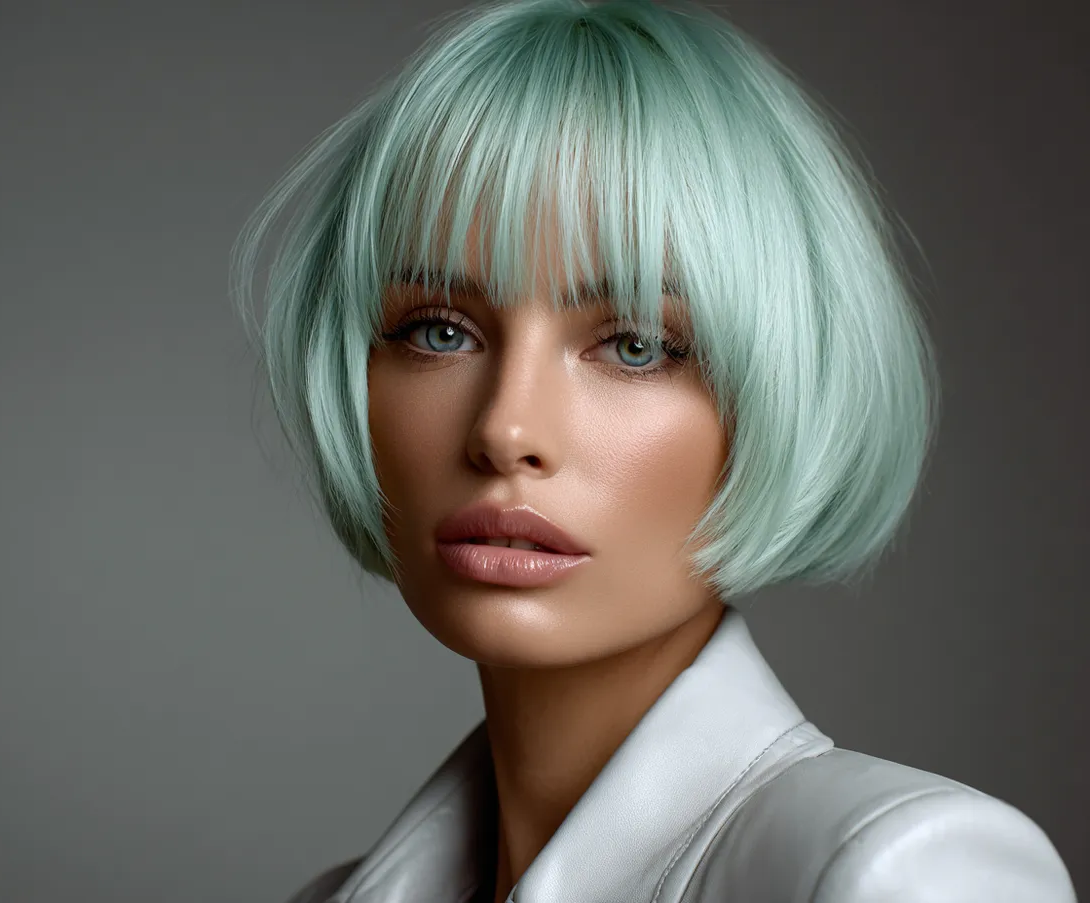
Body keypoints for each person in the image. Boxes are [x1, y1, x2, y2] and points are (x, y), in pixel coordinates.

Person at [230, 1, 1078, 900]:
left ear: (780, 389)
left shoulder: (899, 872)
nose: (505, 429)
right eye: (439, 331)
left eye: (636, 344)